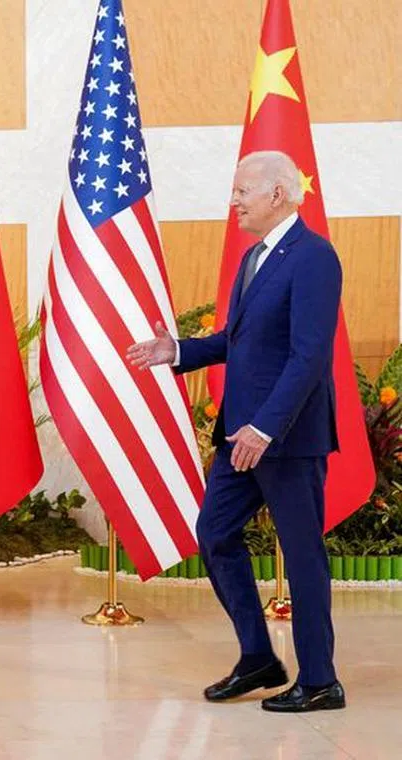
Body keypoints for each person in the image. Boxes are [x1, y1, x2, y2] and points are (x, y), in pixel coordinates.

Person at [127, 151, 345, 713]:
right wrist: (176, 350)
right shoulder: (253, 259)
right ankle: (259, 658)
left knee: (301, 556)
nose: (235, 201)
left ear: (277, 193)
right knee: (216, 535)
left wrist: (267, 428)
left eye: (243, 190)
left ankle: (320, 680)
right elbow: (236, 339)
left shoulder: (314, 257)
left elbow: (308, 355)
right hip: (240, 436)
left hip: (286, 438)